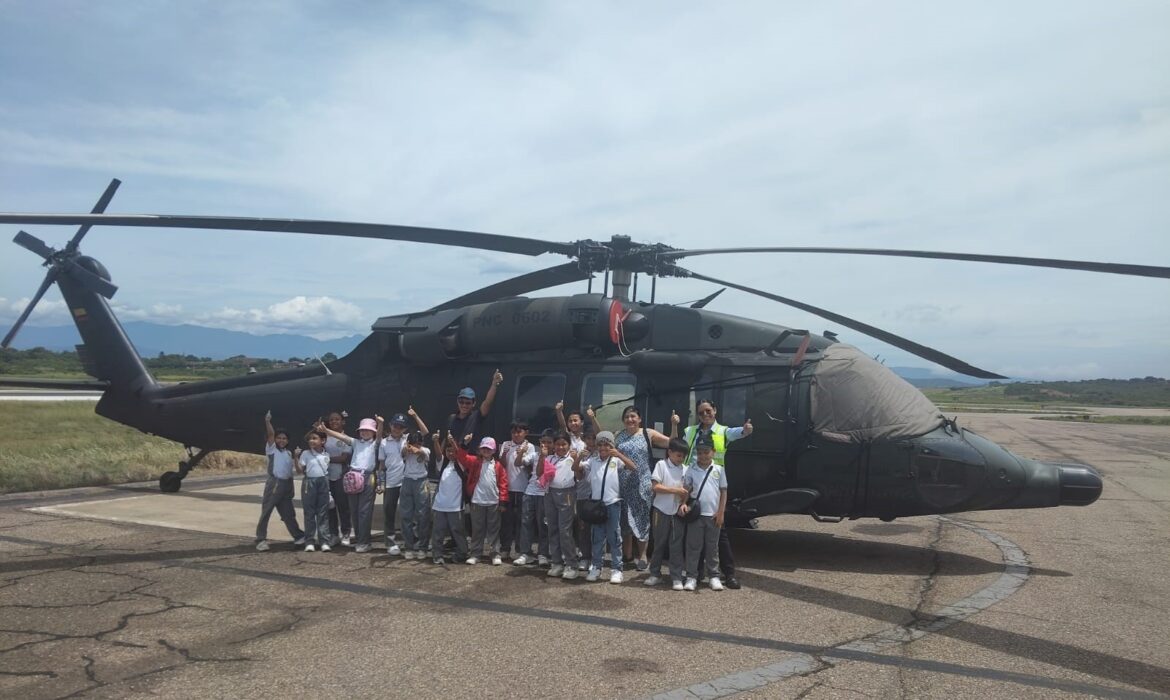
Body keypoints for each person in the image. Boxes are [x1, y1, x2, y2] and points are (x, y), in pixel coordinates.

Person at [673, 398, 753, 590]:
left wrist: (746, 430)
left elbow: (739, 432)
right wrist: (674, 425)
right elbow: (676, 444)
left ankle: (728, 573)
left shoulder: (723, 431)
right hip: (692, 485)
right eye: (701, 413)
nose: (705, 415)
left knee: (718, 538)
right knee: (694, 536)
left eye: (708, 411)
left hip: (714, 485)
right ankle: (696, 574)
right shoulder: (690, 431)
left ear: (715, 410)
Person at [588, 405, 677, 571]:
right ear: (623, 420)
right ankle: (627, 554)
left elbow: (672, 443)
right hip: (621, 483)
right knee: (623, 520)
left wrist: (674, 424)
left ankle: (642, 556)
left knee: (641, 519)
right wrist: (593, 418)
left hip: (642, 483)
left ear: (640, 419)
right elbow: (602, 436)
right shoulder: (618, 435)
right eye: (627, 417)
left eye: (633, 416)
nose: (630, 419)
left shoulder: (648, 433)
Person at [319, 414, 382, 553]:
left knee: (364, 511)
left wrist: (380, 424)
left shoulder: (376, 444)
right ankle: (360, 540)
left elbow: (379, 437)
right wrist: (326, 430)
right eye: (362, 430)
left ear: (373, 431)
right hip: (352, 476)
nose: (365, 432)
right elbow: (342, 437)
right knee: (354, 510)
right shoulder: (356, 442)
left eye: (368, 430)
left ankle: (364, 542)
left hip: (367, 477)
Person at [585, 431, 635, 583]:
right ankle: (596, 566)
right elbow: (577, 469)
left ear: (612, 446)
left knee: (614, 536)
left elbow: (633, 467)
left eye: (606, 445)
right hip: (596, 505)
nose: (603, 448)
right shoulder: (593, 461)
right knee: (597, 537)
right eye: (600, 445)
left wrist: (619, 454)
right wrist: (578, 458)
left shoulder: (616, 461)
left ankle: (617, 568)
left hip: (613, 503)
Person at [681, 436, 728, 591]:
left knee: (712, 547)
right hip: (696, 515)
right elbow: (687, 489)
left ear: (713, 452)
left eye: (706, 452)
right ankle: (691, 576)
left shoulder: (719, 469)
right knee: (693, 547)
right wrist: (683, 503)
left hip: (713, 515)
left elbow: (723, 492)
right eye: (699, 452)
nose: (703, 455)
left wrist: (721, 512)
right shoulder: (691, 469)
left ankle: (714, 576)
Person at [255, 410, 305, 551]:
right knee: (267, 511)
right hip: (275, 483)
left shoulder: (288, 453)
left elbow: (290, 471)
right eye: (279, 438)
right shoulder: (272, 450)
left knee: (288, 513)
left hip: (286, 484)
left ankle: (298, 536)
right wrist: (267, 421)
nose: (281, 440)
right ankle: (261, 539)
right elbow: (270, 434)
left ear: (288, 441)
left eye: (284, 438)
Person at [454, 436, 508, 565]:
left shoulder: (498, 466)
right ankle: (475, 554)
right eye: (484, 448)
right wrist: (465, 444)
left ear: (494, 450)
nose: (486, 451)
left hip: (493, 502)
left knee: (494, 530)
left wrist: (503, 502)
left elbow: (503, 484)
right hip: (477, 501)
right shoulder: (474, 462)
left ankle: (495, 553)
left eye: (489, 449)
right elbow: (461, 457)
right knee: (477, 530)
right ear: (479, 449)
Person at [644, 437, 690, 589]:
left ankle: (676, 576)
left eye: (683, 456)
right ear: (669, 452)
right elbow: (655, 487)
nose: (681, 459)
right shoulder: (661, 465)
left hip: (677, 512)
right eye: (678, 455)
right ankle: (655, 574)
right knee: (659, 543)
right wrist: (675, 490)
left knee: (676, 545)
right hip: (661, 510)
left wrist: (684, 503)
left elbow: (688, 491)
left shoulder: (686, 469)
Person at [539, 431, 581, 579]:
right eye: (557, 444)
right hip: (550, 493)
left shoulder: (572, 458)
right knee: (552, 528)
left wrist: (576, 460)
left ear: (569, 445)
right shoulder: (549, 458)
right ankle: (556, 563)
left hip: (567, 494)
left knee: (565, 530)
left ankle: (571, 564)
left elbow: (579, 476)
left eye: (564, 444)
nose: (560, 447)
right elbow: (539, 472)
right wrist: (542, 457)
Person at [514, 429, 553, 567]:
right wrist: (521, 452)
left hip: (545, 494)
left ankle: (543, 554)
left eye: (549, 442)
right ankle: (525, 553)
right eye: (543, 442)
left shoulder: (554, 457)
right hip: (530, 491)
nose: (545, 445)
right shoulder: (534, 454)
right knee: (526, 523)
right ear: (539, 442)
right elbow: (518, 463)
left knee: (543, 525)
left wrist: (544, 456)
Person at [397, 406, 431, 559]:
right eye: (413, 443)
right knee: (406, 515)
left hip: (421, 482)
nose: (415, 445)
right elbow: (403, 453)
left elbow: (423, 454)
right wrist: (407, 448)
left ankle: (423, 547)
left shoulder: (425, 450)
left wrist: (418, 450)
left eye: (418, 443)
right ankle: (409, 546)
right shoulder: (406, 447)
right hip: (407, 481)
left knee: (423, 515)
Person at [498, 421, 534, 560]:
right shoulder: (506, 444)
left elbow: (530, 468)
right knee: (506, 520)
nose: (516, 435)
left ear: (526, 433)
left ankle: (521, 550)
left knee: (522, 520)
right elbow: (502, 465)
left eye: (519, 432)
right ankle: (505, 548)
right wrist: (504, 454)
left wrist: (522, 454)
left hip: (523, 488)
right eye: (513, 432)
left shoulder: (530, 447)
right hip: (507, 488)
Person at [431, 435, 470, 564]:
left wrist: (453, 441)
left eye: (453, 451)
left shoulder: (461, 464)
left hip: (456, 506)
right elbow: (438, 454)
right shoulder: (443, 464)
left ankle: (462, 553)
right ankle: (437, 555)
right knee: (438, 532)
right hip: (440, 505)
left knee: (458, 531)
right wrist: (436, 441)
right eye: (448, 451)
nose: (451, 453)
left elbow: (459, 453)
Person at [376, 412, 410, 554]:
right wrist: (380, 483)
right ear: (390, 425)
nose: (397, 429)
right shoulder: (384, 443)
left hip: (407, 481)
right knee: (389, 512)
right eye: (395, 425)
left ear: (405, 429)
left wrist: (415, 416)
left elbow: (425, 432)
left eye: (401, 427)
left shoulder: (408, 439)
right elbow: (381, 465)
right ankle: (390, 542)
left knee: (408, 513)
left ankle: (409, 542)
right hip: (390, 482)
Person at [447, 369, 504, 452]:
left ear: (473, 404)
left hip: (471, 457)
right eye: (461, 402)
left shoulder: (477, 416)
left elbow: (487, 402)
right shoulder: (451, 418)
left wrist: (494, 384)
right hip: (455, 456)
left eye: (468, 403)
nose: (464, 405)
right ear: (457, 402)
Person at [296, 428, 333, 552]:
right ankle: (310, 541)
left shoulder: (326, 455)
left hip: (323, 482)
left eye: (314, 438)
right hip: (309, 482)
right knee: (309, 512)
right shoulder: (306, 454)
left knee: (323, 512)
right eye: (310, 439)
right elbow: (300, 471)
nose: (311, 441)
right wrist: (296, 458)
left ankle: (324, 541)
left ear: (323, 441)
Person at [322, 411, 352, 546]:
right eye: (331, 420)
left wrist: (325, 459)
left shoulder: (346, 438)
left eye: (337, 419)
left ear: (343, 422)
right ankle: (333, 534)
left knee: (343, 506)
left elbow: (343, 458)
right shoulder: (324, 438)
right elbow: (309, 441)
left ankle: (346, 533)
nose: (334, 421)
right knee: (330, 506)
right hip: (326, 477)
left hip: (340, 476)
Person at [573, 432, 596, 571]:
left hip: (598, 497)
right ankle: (585, 557)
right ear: (584, 439)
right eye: (588, 438)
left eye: (594, 438)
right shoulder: (582, 454)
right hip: (582, 495)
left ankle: (596, 559)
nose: (591, 441)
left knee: (597, 529)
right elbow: (578, 475)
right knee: (583, 528)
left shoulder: (601, 453)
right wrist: (578, 458)